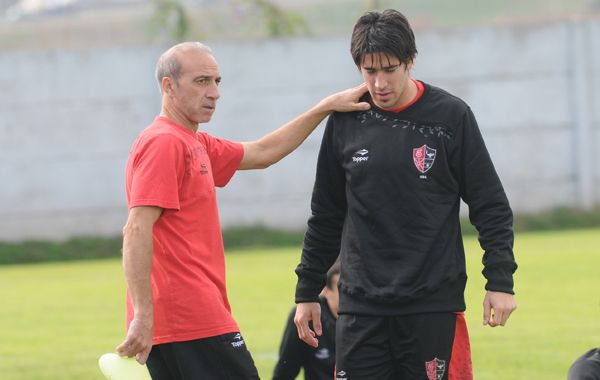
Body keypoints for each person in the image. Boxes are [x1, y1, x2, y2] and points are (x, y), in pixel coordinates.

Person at [115, 41, 370, 380]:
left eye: (218, 81)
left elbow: (264, 152)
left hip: (187, 320)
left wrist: (324, 107)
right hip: (188, 318)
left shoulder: (195, 142)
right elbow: (135, 230)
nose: (215, 92)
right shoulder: (164, 143)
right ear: (169, 86)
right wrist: (143, 315)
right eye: (202, 81)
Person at [292, 9, 518, 380]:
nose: (379, 82)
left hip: (431, 304)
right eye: (369, 71)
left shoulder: (450, 117)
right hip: (361, 307)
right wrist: (306, 291)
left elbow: (490, 205)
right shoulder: (345, 121)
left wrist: (500, 281)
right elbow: (325, 215)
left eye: (389, 69)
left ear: (410, 61)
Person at [273, 262, 340, 380]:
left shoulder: (370, 317)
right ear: (325, 291)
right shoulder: (306, 317)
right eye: (342, 289)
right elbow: (285, 371)